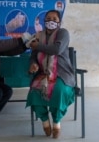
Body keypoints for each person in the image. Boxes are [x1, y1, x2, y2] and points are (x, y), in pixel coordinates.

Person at [26, 10, 76, 138]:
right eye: (48, 18)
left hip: (62, 73)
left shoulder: (63, 33)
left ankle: (56, 122)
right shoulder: (38, 35)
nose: (51, 21)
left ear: (59, 21)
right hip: (43, 73)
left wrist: (38, 46)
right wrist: (33, 64)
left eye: (55, 18)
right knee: (34, 91)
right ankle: (45, 121)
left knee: (59, 90)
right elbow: (33, 55)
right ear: (44, 21)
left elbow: (56, 49)